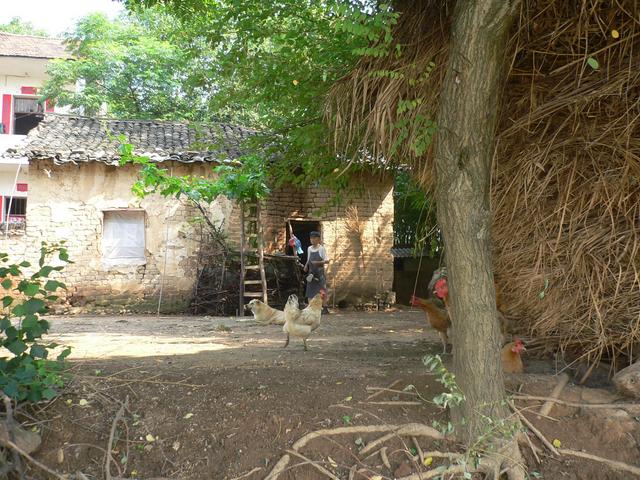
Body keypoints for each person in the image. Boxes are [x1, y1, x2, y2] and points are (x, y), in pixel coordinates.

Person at [303, 231, 330, 314]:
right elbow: (308, 259)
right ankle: (311, 308)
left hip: (319, 273)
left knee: (322, 290)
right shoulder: (309, 248)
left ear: (318, 239)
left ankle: (324, 307)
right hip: (311, 273)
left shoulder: (321, 248)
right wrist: (306, 265)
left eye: (314, 238)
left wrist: (317, 263)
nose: (312, 240)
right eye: (311, 238)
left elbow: (327, 261)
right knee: (310, 291)